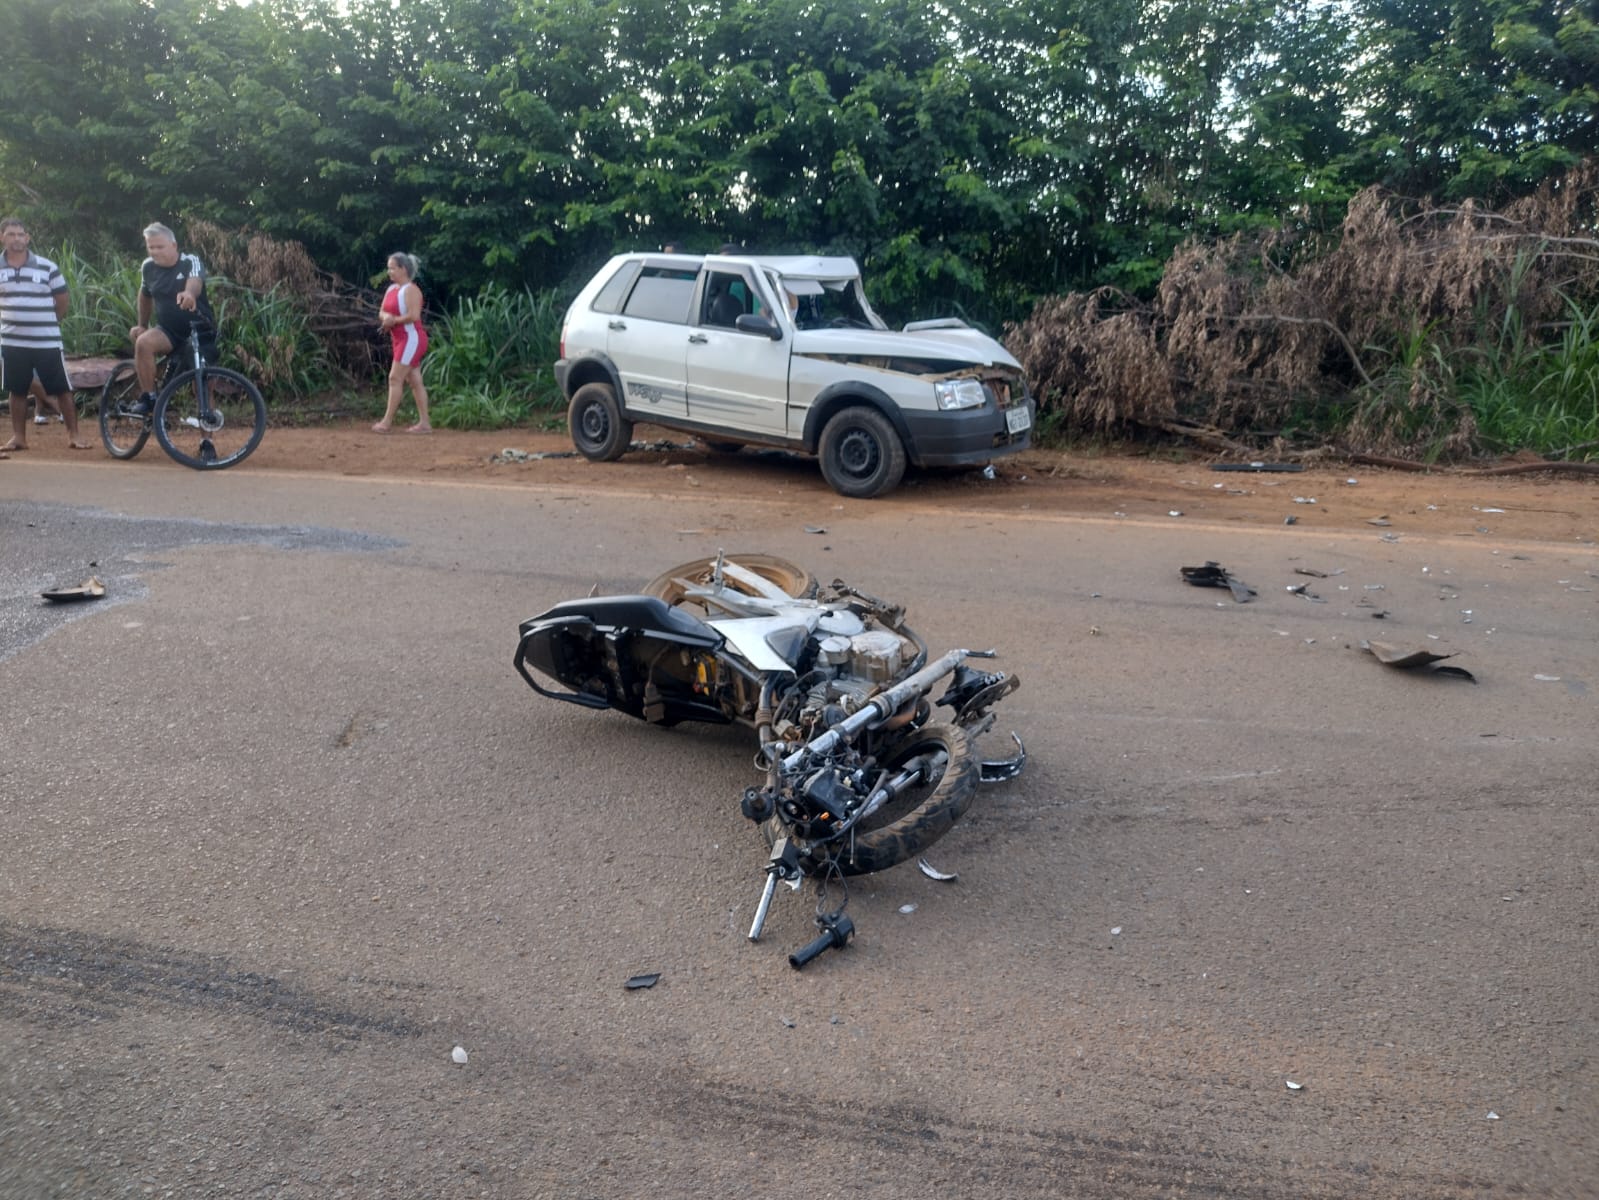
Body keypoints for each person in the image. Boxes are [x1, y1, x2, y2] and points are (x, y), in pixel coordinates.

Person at [0, 217, 90, 451]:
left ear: (27, 238)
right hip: (12, 341)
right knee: (17, 389)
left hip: (46, 340)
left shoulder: (47, 266)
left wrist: (49, 322)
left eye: (20, 234)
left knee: (62, 388)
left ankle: (74, 435)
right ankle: (19, 438)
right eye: (11, 234)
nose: (17, 239)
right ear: (2, 237)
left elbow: (62, 300)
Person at [127, 222, 216, 415]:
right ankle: (149, 398)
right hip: (168, 331)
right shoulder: (148, 267)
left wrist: (189, 294)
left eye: (160, 247)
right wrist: (142, 325)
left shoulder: (190, 261)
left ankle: (207, 429)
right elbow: (145, 295)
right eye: (151, 247)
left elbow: (195, 282)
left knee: (202, 384)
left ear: (173, 245)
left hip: (200, 330)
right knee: (143, 343)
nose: (155, 252)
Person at [372, 252, 430, 433]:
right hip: (400, 339)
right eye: (388, 268)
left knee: (395, 378)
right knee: (414, 380)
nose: (389, 272)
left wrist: (393, 320)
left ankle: (386, 422)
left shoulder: (411, 290)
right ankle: (425, 423)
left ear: (403, 269)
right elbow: (381, 312)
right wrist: (386, 318)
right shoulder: (391, 289)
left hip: (411, 339)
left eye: (392, 268)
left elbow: (414, 316)